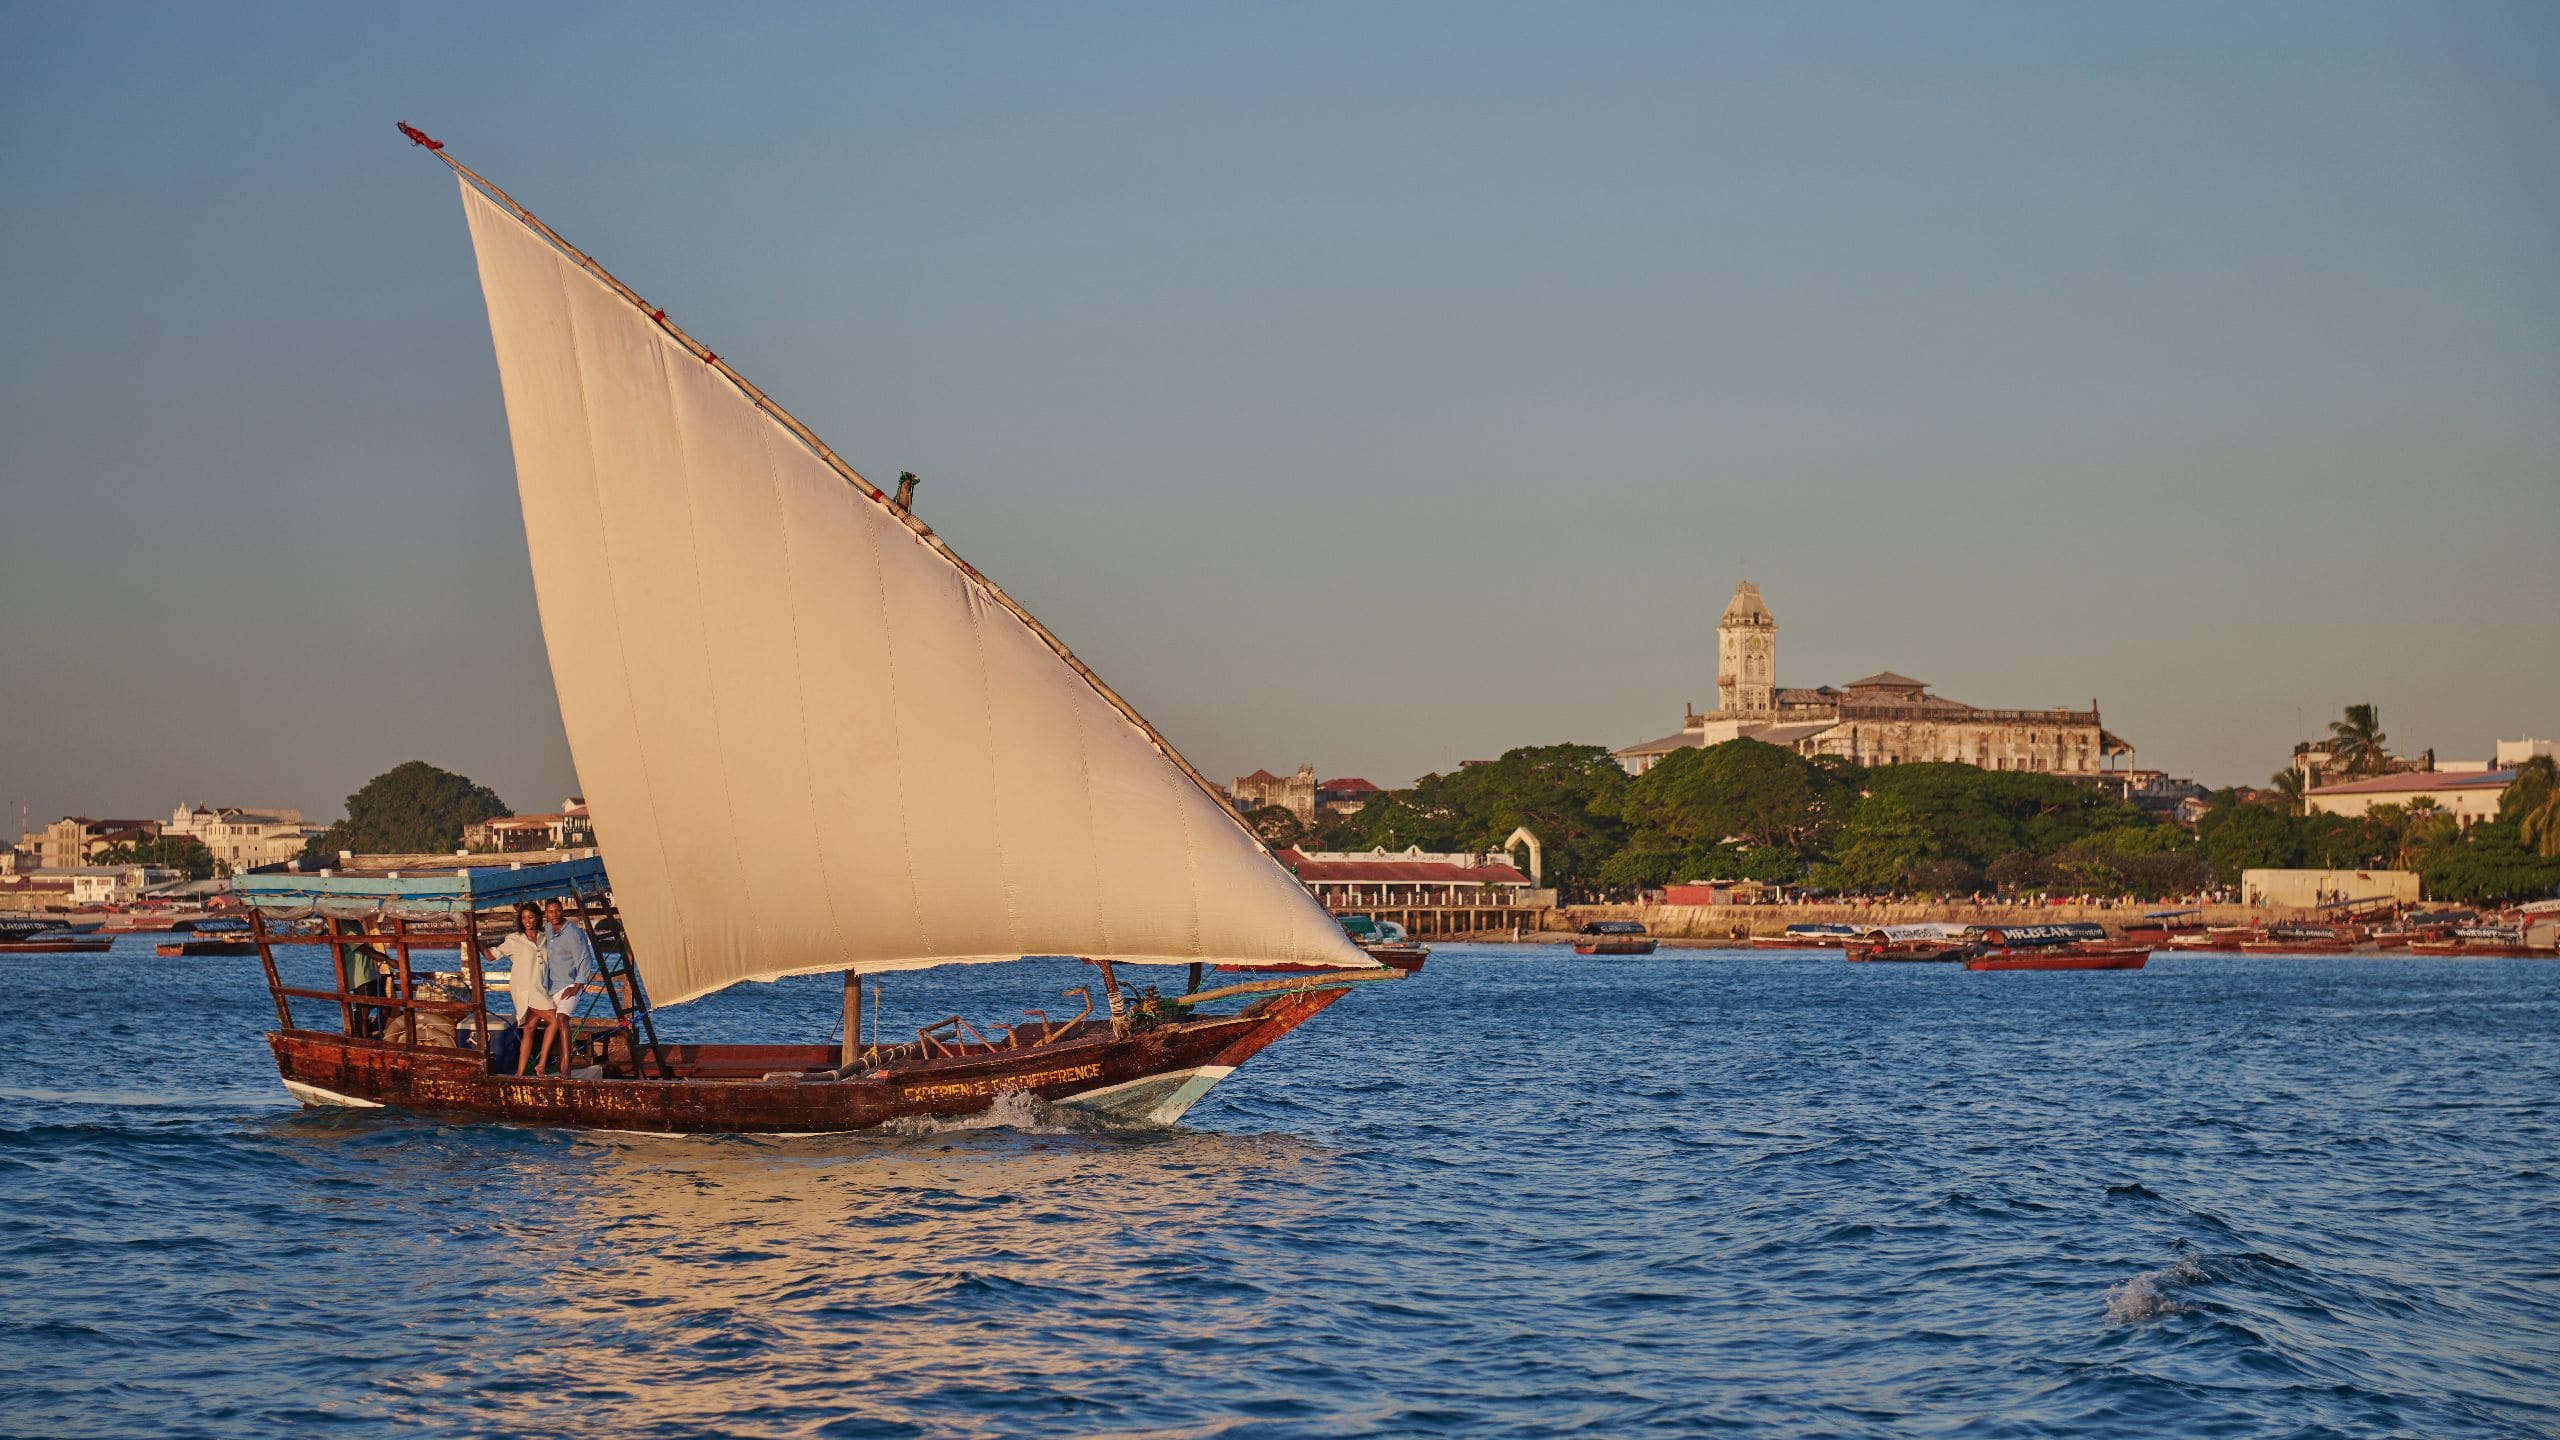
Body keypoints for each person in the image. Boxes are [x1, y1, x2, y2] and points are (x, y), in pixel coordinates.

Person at [538, 899, 600, 1078]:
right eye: (550, 912)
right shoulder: (549, 930)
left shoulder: (573, 932)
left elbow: (585, 959)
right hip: (553, 986)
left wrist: (578, 985)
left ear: (562, 911)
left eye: (557, 911)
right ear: (546, 914)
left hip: (570, 985)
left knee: (562, 1019)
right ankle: (543, 1065)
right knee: (548, 1021)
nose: (554, 915)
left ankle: (566, 1069)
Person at [495, 902, 555, 1076]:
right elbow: (493, 955)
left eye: (530, 917)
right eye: (523, 918)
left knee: (529, 1029)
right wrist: (475, 943)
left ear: (537, 918)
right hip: (525, 989)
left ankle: (519, 1074)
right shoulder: (514, 939)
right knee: (556, 1020)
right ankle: (541, 1065)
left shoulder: (545, 937)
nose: (527, 921)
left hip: (541, 988)